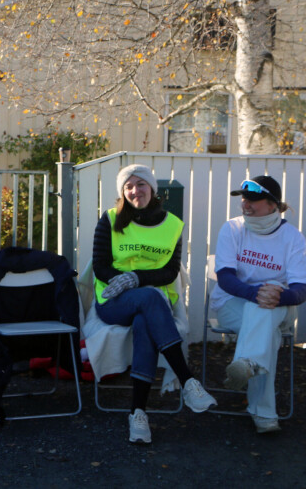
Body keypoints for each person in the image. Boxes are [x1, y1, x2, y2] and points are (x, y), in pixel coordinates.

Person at [92, 164, 217, 444]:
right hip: (113, 302)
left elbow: (170, 272)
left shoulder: (172, 225)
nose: (135, 191)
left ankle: (138, 414)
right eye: (129, 186)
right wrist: (123, 281)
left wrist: (137, 278)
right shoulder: (110, 220)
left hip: (152, 305)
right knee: (150, 297)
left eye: (141, 184)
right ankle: (188, 380)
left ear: (152, 188)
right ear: (123, 193)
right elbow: (100, 267)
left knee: (144, 320)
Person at [209, 175, 306, 434]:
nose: (246, 205)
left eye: (253, 200)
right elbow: (225, 278)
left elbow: (301, 290)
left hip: (279, 306)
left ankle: (247, 363)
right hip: (232, 303)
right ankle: (263, 412)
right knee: (268, 332)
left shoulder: (292, 237)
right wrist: (255, 294)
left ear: (272, 205)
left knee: (268, 301)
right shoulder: (231, 229)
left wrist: (279, 296)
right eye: (244, 199)